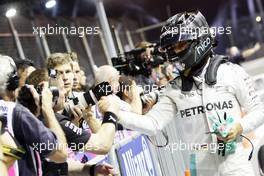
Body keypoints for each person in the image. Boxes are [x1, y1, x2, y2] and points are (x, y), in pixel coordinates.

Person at [100, 11, 264, 176]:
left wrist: (239, 127)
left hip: (237, 167)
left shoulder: (231, 72)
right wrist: (116, 114)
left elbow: (259, 110)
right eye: (171, 48)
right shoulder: (174, 88)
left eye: (179, 45)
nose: (174, 52)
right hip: (200, 171)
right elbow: (152, 124)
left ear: (199, 39)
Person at [0, 55, 68, 175]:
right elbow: (60, 154)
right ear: (13, 83)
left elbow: (11, 152)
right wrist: (47, 108)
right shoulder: (16, 113)